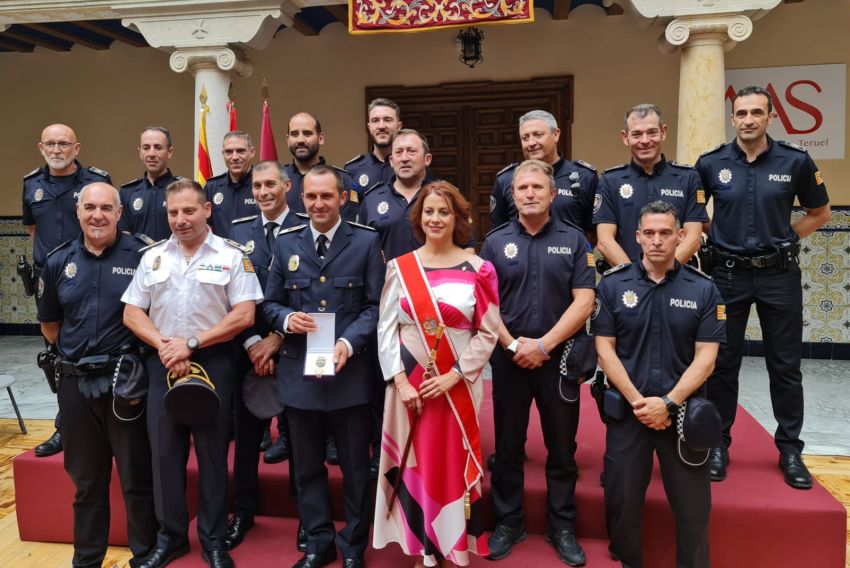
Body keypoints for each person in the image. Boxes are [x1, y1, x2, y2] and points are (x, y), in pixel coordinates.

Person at [122, 179, 263, 568]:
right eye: (172, 212)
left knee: (213, 457)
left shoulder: (232, 255)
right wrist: (166, 345)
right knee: (165, 457)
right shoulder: (152, 257)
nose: (180, 220)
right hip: (162, 364)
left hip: (213, 364)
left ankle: (214, 541)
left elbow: (244, 314)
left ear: (206, 210)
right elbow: (133, 311)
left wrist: (193, 343)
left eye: (188, 211)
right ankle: (171, 539)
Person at [695, 86, 830, 489]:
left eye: (757, 112)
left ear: (771, 117)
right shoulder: (710, 163)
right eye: (741, 113)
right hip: (727, 277)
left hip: (779, 278)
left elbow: (819, 212)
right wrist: (714, 238)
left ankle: (790, 450)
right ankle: (718, 444)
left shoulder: (796, 161)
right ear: (732, 118)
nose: (748, 119)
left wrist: (786, 240)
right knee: (722, 365)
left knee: (785, 367)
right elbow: (695, 215)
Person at [262, 165, 384, 568]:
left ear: (343, 198)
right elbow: (269, 301)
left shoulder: (366, 242)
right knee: (307, 467)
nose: (318, 204)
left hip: (349, 372)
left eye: (326, 196)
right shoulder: (286, 243)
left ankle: (353, 546)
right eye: (311, 197)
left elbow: (374, 306)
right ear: (301, 198)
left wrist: (350, 341)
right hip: (300, 372)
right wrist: (284, 320)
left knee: (354, 467)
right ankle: (319, 543)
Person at [373, 181, 500, 567]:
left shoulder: (479, 269)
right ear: (418, 218)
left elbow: (489, 332)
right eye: (429, 211)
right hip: (407, 388)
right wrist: (398, 382)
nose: (435, 218)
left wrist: (455, 375)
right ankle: (421, 548)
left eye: (444, 212)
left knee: (447, 463)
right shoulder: (400, 268)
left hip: (456, 386)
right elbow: (386, 328)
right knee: (416, 464)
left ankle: (451, 546)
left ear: (458, 218)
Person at [592, 200, 725, 568]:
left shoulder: (704, 290)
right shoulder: (613, 286)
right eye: (648, 233)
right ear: (636, 237)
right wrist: (640, 403)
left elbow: (707, 358)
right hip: (628, 415)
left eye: (665, 233)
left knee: (694, 513)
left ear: (681, 236)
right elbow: (604, 350)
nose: (656, 241)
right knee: (621, 507)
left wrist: (667, 402)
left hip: (682, 418)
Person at [480, 160, 595, 566]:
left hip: (559, 360)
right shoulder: (493, 243)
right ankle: (508, 522)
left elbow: (584, 301)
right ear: (512, 196)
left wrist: (543, 345)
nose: (529, 193)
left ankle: (561, 524)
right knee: (508, 448)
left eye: (537, 188)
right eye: (522, 188)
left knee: (562, 448)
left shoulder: (576, 241)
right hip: (509, 361)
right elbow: (485, 305)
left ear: (553, 194)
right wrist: (513, 346)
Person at [37, 182, 157, 568]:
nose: (97, 215)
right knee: (86, 483)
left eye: (106, 207)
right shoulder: (58, 261)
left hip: (126, 383)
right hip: (74, 386)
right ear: (78, 211)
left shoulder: (144, 255)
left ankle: (144, 556)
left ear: (119, 213)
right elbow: (51, 327)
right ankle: (87, 560)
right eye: (89, 207)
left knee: (136, 479)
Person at [22, 123, 111, 458]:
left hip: (90, 276)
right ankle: (65, 426)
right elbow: (33, 229)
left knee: (97, 347)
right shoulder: (31, 185)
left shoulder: (96, 182)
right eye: (51, 144)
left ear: (76, 148)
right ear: (41, 147)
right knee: (57, 354)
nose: (57, 150)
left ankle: (107, 424)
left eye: (63, 144)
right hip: (50, 281)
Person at [225, 160, 300, 551]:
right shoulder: (237, 233)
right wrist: (255, 342)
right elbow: (233, 293)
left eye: (271, 183)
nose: (263, 191)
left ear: (287, 185)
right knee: (248, 438)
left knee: (303, 438)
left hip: (294, 345)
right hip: (249, 348)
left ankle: (307, 514)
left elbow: (305, 294)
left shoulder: (306, 226)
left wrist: (277, 340)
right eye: (257, 186)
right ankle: (244, 511)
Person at [594, 104, 707, 267]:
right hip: (627, 286)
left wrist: (664, 274)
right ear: (625, 137)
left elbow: (693, 238)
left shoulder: (688, 178)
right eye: (637, 134)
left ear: (663, 132)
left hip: (677, 282)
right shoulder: (610, 181)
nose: (645, 141)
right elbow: (604, 241)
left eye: (652, 132)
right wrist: (635, 279)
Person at [490, 110, 597, 238]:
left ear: (556, 134)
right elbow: (497, 232)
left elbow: (594, 232)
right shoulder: (506, 179)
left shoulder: (584, 176)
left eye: (538, 135)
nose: (531, 143)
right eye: (525, 138)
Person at [284, 112, 359, 222]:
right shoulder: (278, 179)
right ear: (288, 140)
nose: (300, 140)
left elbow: (347, 228)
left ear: (321, 138)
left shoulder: (342, 179)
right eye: (294, 134)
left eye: (307, 133)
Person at [119, 126, 181, 241]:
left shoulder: (183, 190)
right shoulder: (127, 192)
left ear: (169, 152)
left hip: (175, 257)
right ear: (140, 153)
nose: (151, 153)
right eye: (146, 148)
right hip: (138, 258)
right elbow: (124, 238)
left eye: (158, 147)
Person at [205, 131, 258, 237]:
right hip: (221, 253)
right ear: (223, 154)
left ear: (252, 152)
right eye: (229, 152)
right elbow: (201, 225)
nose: (234, 157)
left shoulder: (262, 185)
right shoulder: (212, 188)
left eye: (241, 151)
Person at [345, 98, 402, 193]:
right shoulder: (353, 169)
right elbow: (351, 207)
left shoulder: (409, 166)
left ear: (399, 126)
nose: (381, 126)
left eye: (387, 120)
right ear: (369, 127)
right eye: (375, 120)